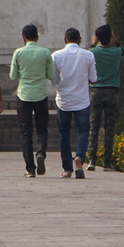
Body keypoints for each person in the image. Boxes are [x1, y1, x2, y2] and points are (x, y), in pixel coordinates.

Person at [9, 24, 55, 177]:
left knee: (26, 132)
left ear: (24, 38)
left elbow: (12, 75)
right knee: (42, 128)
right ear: (37, 37)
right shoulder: (45, 52)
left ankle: (30, 168)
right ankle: (41, 152)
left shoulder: (19, 52)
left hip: (24, 95)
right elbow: (51, 75)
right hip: (41, 95)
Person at [51, 27, 94, 179]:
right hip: (82, 100)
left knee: (64, 133)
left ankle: (67, 168)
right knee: (83, 131)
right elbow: (93, 78)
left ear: (65, 40)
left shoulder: (56, 56)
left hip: (64, 100)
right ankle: (80, 158)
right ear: (80, 40)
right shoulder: (88, 55)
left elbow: (54, 80)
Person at [89, 24, 124, 168]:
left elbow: (87, 55)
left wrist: (93, 42)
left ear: (98, 38)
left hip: (96, 91)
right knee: (109, 128)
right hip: (112, 92)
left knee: (94, 126)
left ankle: (92, 159)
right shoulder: (117, 51)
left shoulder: (93, 52)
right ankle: (107, 161)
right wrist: (116, 41)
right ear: (110, 37)